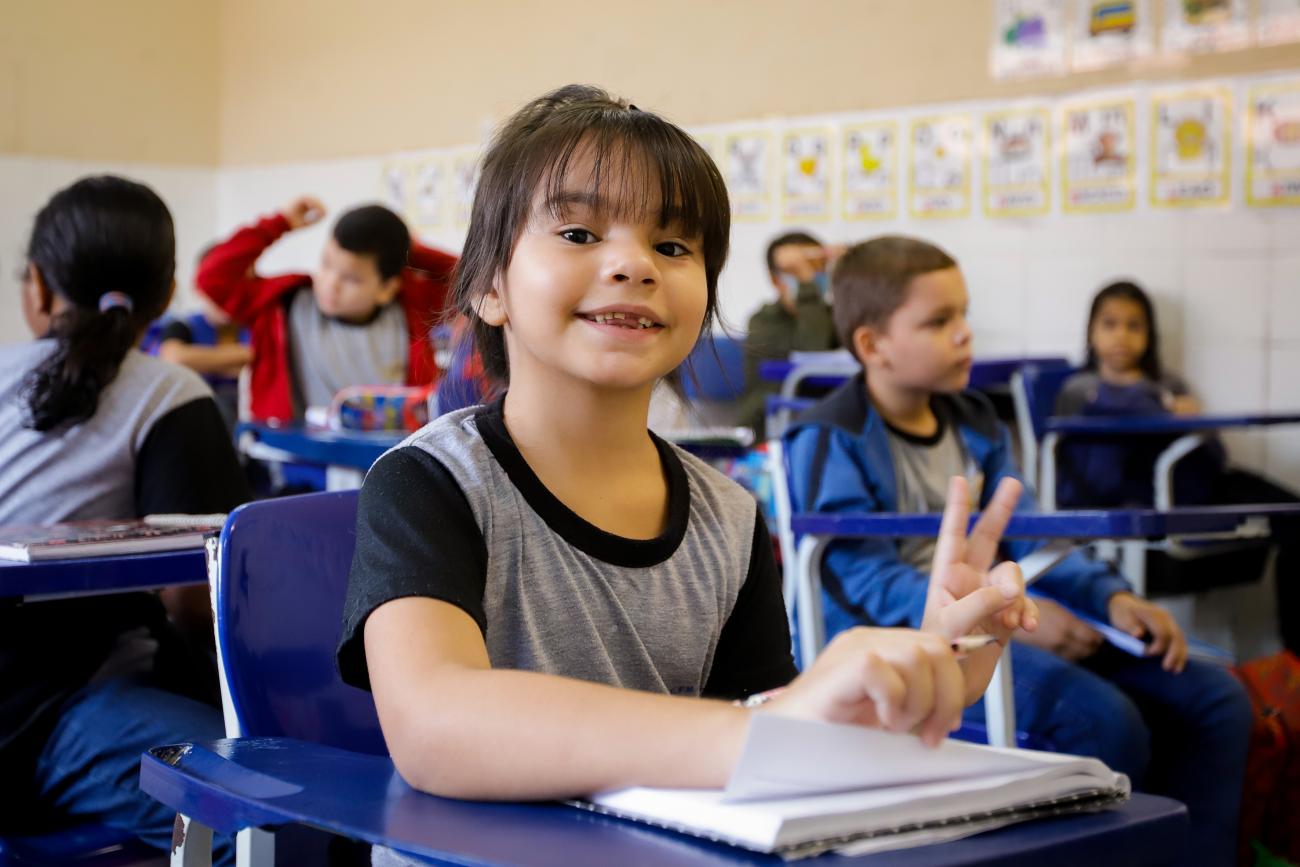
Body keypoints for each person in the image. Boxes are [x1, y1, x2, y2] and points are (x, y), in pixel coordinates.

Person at [336, 86, 1036, 840]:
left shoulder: (730, 518)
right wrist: (772, 729)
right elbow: (437, 726)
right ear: (488, 286)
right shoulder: (430, 482)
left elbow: (772, 763)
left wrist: (902, 696)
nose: (634, 263)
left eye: (673, 247)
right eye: (577, 232)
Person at [782, 236, 1253, 866]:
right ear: (873, 345)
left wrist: (1110, 598)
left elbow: (1032, 530)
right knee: (1105, 724)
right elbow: (859, 579)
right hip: (901, 644)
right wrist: (992, 619)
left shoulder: (976, 422)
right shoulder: (829, 436)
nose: (963, 335)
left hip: (1001, 621)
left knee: (1217, 700)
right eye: (938, 321)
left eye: (964, 315)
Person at [0, 175, 248, 864]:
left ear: (39, 288)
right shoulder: (170, 393)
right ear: (167, 296)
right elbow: (204, 606)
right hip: (47, 712)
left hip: (32, 705)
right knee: (267, 815)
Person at [1057, 279, 1298, 650]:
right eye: (1110, 323)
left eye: (1134, 325)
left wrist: (1183, 416)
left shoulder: (1167, 383)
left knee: (1291, 514)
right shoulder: (1081, 389)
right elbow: (1102, 463)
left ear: (1149, 335)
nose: (1121, 335)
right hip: (1143, 502)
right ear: (1091, 331)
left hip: (1202, 487)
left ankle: (1292, 653)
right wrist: (1168, 410)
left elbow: (1213, 454)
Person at [197, 198, 457, 425]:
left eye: (351, 279)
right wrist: (279, 223)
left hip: (385, 458)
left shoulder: (410, 305)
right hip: (295, 462)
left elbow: (468, 279)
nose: (330, 283)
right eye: (326, 264)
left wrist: (408, 250)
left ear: (386, 288)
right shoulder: (285, 302)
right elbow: (211, 277)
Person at [736, 231, 839, 437]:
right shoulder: (762, 320)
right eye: (797, 272)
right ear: (776, 280)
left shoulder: (836, 315)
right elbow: (814, 354)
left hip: (829, 427)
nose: (809, 278)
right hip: (768, 429)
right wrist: (807, 287)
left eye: (817, 270)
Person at [155, 287, 251, 437]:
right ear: (202, 290)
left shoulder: (254, 328)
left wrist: (202, 363)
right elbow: (174, 358)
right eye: (218, 293)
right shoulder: (183, 325)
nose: (226, 301)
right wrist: (245, 355)